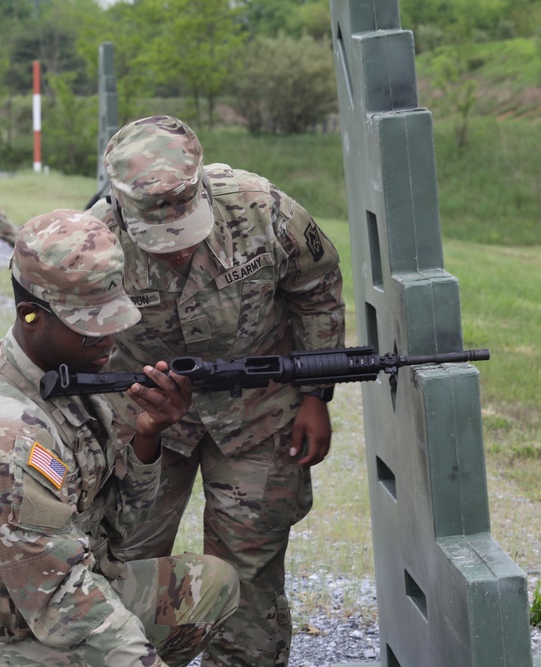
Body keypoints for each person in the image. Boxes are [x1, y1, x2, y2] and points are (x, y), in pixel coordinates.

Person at [0, 209, 240, 667]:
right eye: (89, 324)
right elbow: (60, 598)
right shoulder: (1, 432)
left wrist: (148, 438)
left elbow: (120, 536)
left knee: (207, 584)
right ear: (29, 315)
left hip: (47, 600)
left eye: (112, 317)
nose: (108, 337)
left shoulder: (68, 385)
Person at [88, 115, 346, 666]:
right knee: (125, 555)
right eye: (160, 240)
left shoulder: (264, 210)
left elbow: (316, 292)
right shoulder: (92, 242)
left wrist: (314, 395)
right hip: (146, 421)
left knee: (248, 564)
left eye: (186, 231)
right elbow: (70, 339)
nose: (178, 250)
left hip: (258, 411)